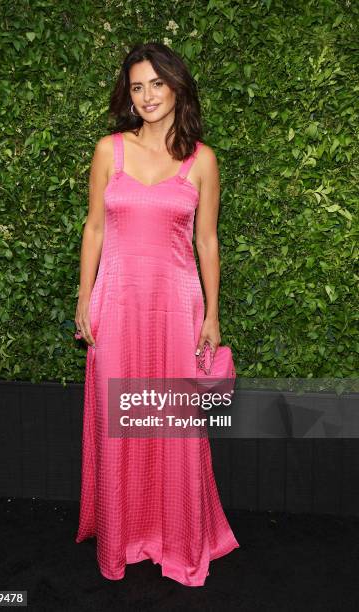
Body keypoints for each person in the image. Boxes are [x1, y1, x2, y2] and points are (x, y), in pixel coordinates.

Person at [74, 42, 239, 587]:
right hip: (117, 304)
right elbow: (94, 228)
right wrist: (82, 297)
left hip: (176, 307)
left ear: (177, 88)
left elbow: (208, 241)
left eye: (157, 85)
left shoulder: (202, 159)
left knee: (174, 428)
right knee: (120, 425)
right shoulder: (109, 151)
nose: (147, 96)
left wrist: (213, 314)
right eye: (137, 86)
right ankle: (124, 539)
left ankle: (177, 538)